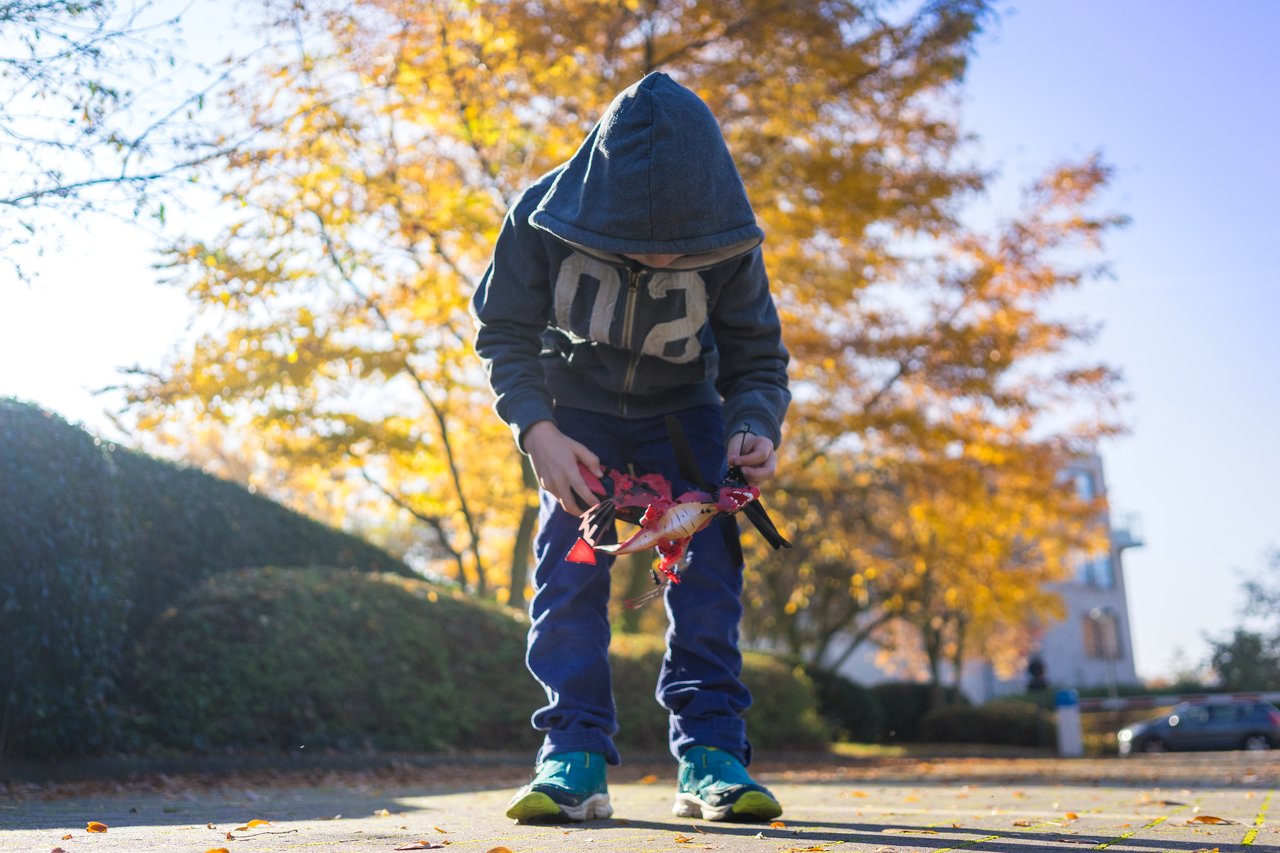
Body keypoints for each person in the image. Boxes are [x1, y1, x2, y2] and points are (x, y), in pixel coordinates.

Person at [471, 71, 790, 824]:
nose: (666, 266)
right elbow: (503, 334)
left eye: (683, 257)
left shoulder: (729, 240)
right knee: (569, 572)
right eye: (647, 253)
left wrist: (756, 424)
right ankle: (571, 751)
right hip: (574, 419)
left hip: (686, 418)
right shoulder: (540, 217)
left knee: (708, 577)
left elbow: (757, 359)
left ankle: (713, 750)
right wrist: (536, 430)